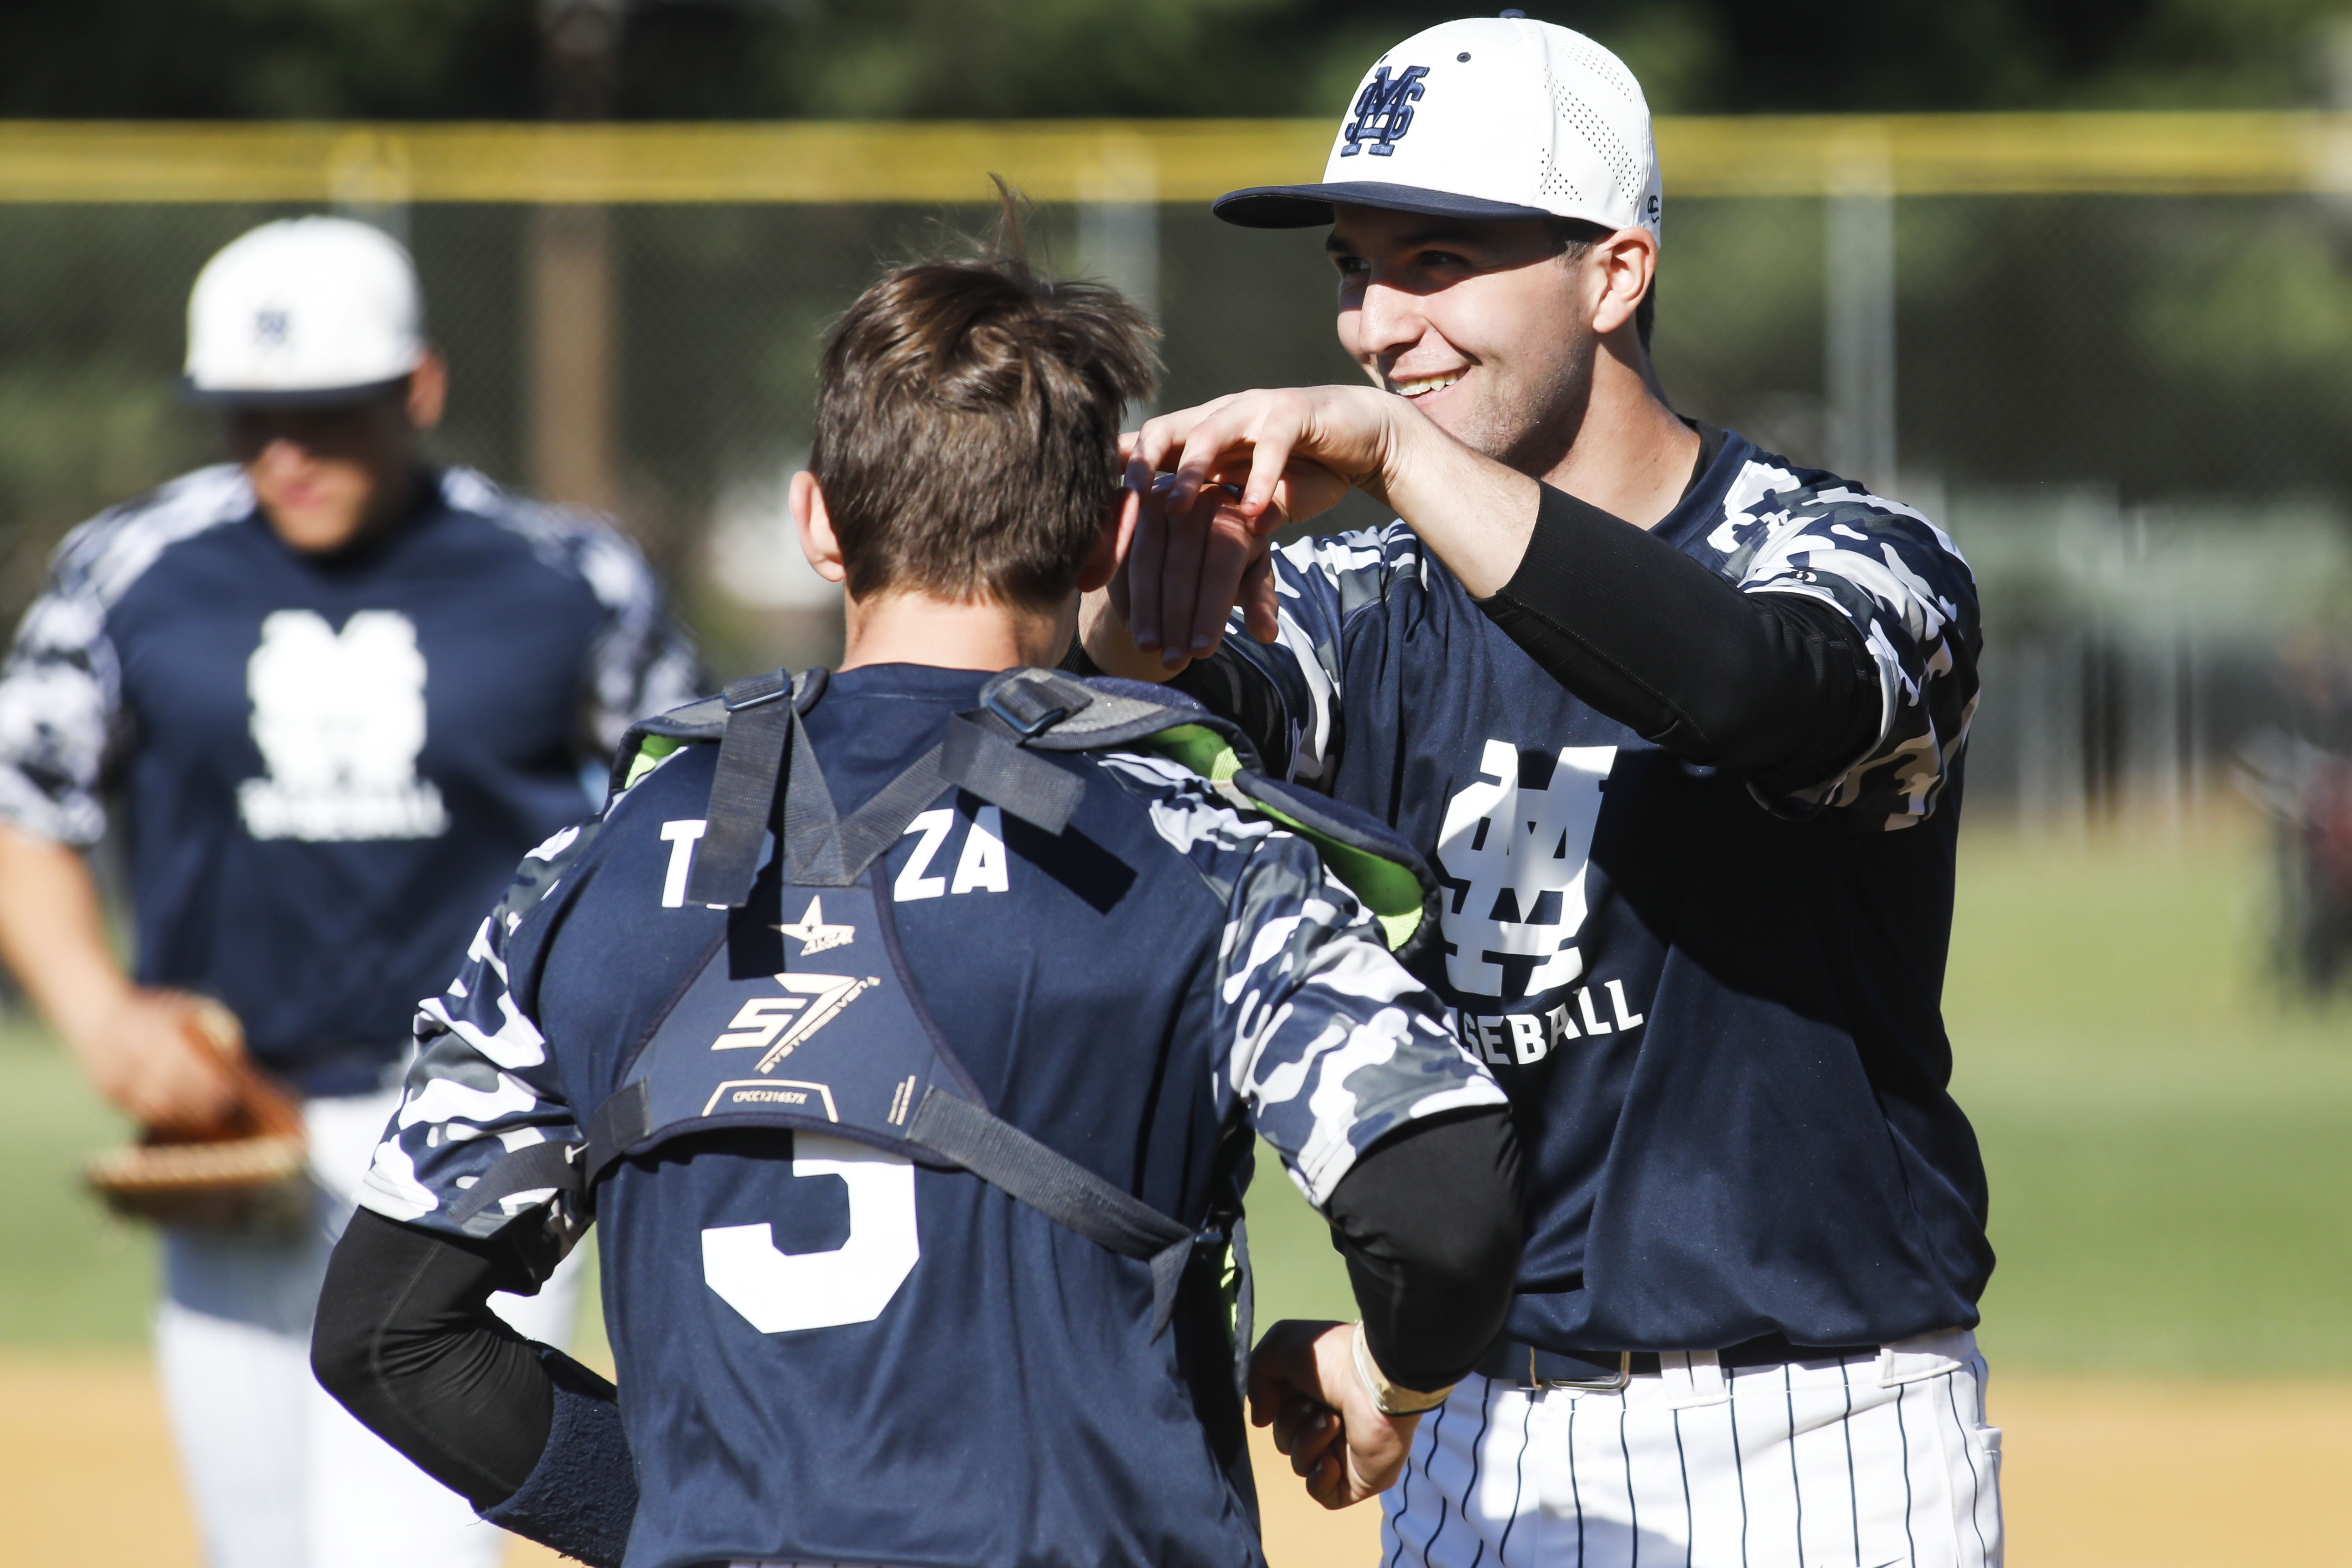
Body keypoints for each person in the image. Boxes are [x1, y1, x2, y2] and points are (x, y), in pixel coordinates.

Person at [308, 242, 1526, 1568]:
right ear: (1106, 535)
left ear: (818, 521)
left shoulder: (595, 868)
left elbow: (388, 1335)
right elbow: (1446, 1207)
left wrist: (668, 1519)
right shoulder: (1195, 846)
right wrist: (1396, 1383)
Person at [1082, 15, 1999, 1567]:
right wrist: (1128, 614)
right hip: (1472, 1455)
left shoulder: (1852, 557)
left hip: (1818, 1450)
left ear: (1615, 273)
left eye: (1437, 263)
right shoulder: (1363, 606)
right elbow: (1115, 713)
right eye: (1355, 270)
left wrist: (1392, 453)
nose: (1378, 323)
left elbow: (1748, 691)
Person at [0, 216, 701, 1568]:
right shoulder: (132, 566)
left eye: (325, 415)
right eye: (248, 416)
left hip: (476, 1125)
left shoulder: (570, 577)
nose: (285, 452)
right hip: (234, 1134)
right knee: (256, 1546)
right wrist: (102, 1019)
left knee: (411, 1547)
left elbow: (681, 832)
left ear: (419, 389)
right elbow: (24, 801)